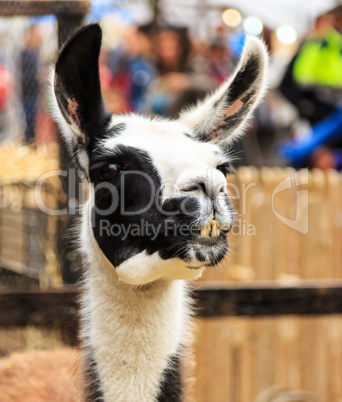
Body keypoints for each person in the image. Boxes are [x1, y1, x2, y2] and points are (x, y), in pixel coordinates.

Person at [20, 25, 41, 143]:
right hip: (27, 91)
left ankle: (32, 138)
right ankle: (29, 139)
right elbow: (28, 74)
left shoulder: (35, 53)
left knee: (33, 116)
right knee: (29, 115)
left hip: (35, 91)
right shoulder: (25, 53)